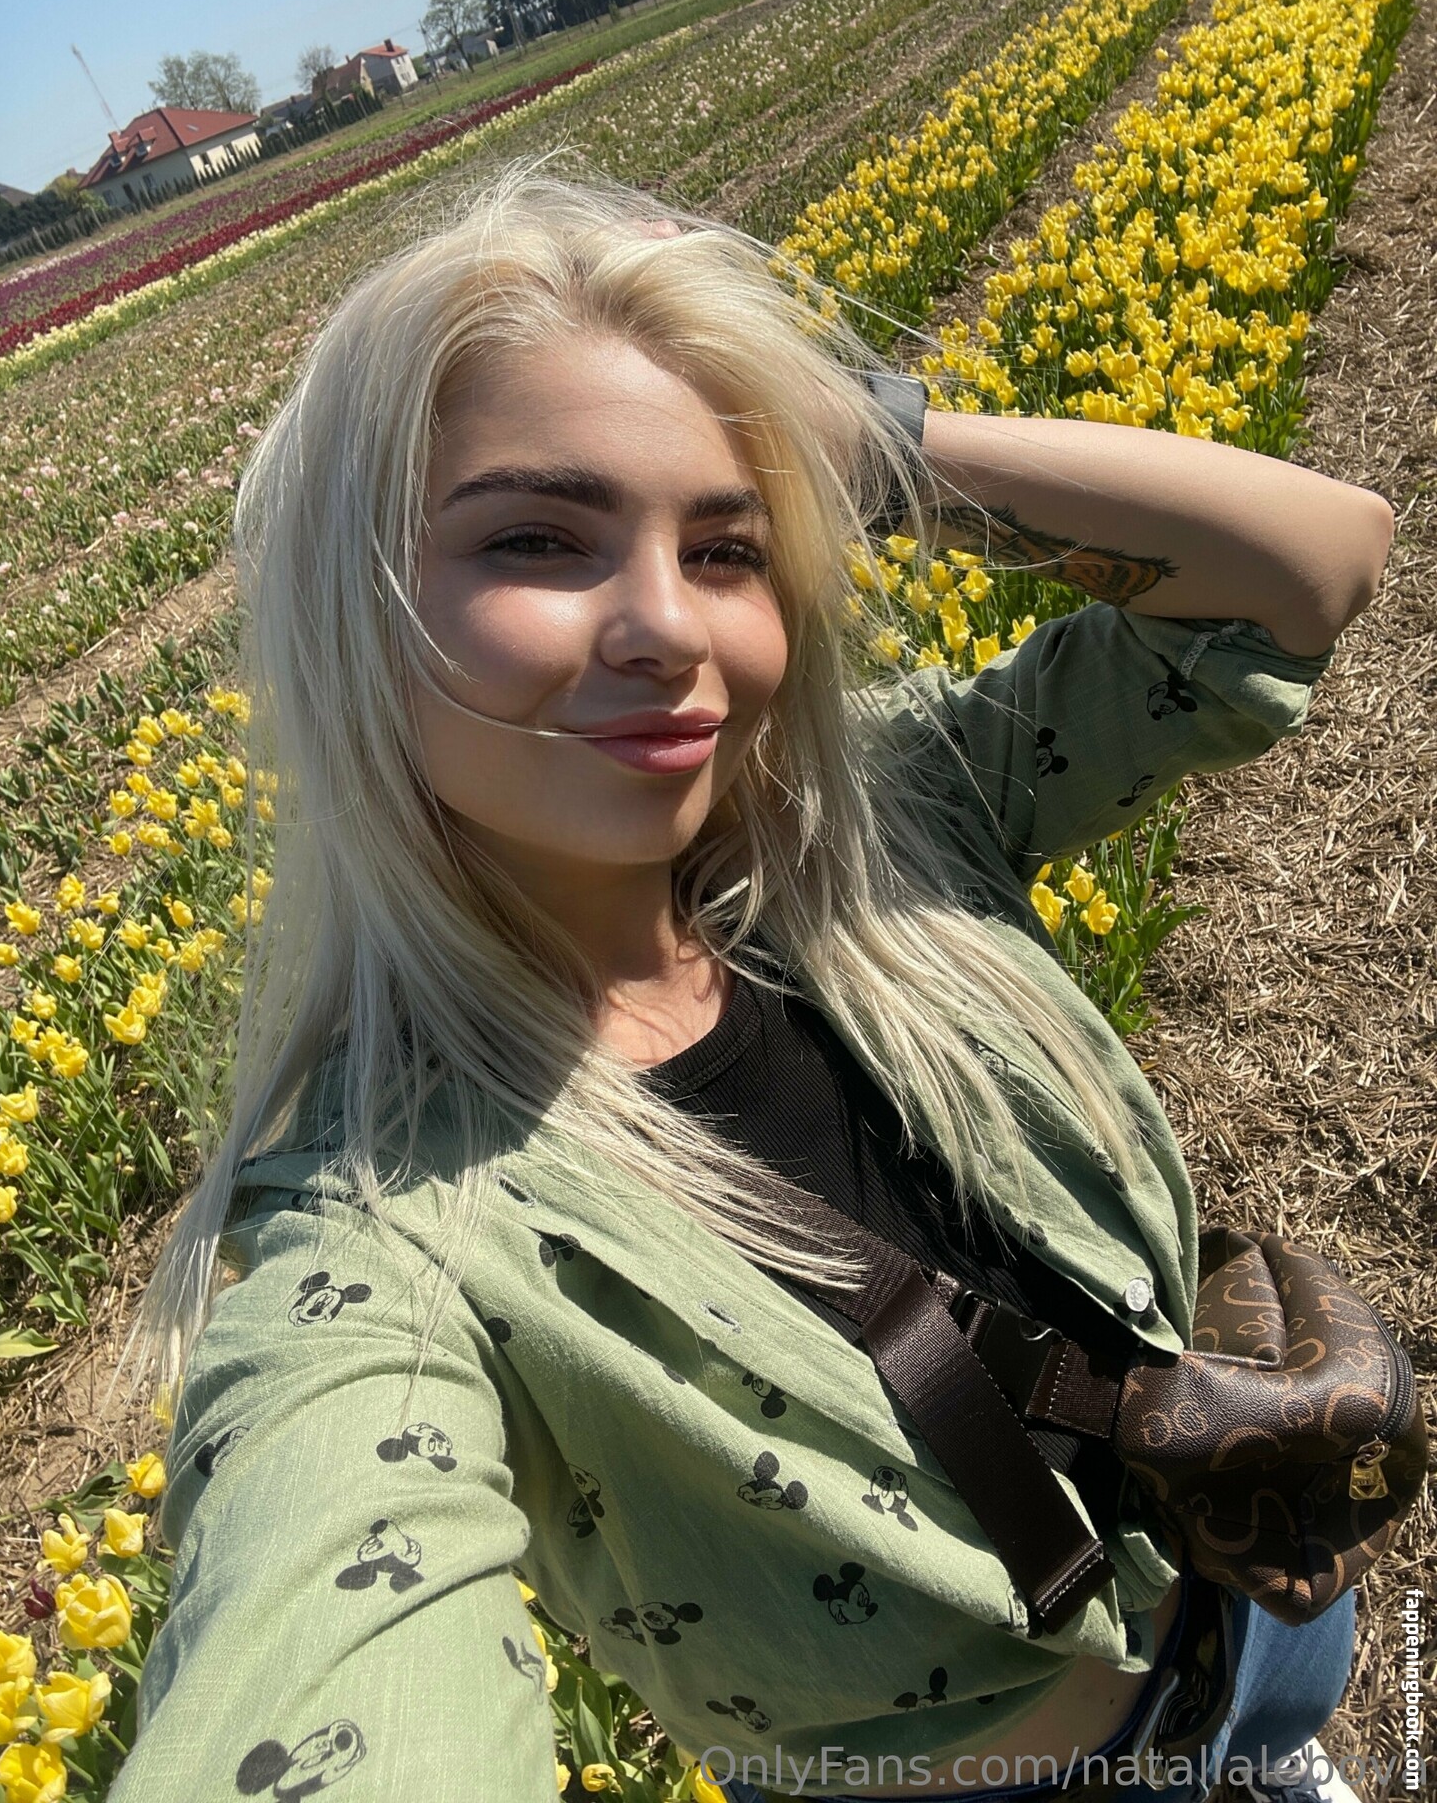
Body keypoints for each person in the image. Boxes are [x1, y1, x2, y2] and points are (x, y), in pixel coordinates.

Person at [110, 159, 1394, 1803]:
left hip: (1259, 1643)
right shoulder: (385, 1233)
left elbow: (1307, 569)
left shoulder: (887, 829)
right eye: (538, 538)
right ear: (354, 607)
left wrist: (848, 434)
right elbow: (328, 1632)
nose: (671, 627)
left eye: (725, 548)